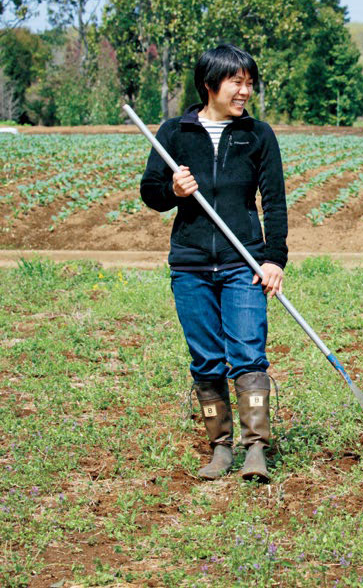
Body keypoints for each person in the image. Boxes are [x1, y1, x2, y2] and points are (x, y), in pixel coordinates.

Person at [140, 44, 287, 482]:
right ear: (209, 85)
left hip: (244, 262)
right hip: (191, 265)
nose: (245, 91)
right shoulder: (175, 132)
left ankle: (255, 448)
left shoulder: (257, 135)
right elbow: (151, 193)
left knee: (247, 353)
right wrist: (174, 190)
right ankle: (220, 447)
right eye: (236, 82)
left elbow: (274, 202)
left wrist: (274, 259)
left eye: (249, 83)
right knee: (205, 360)